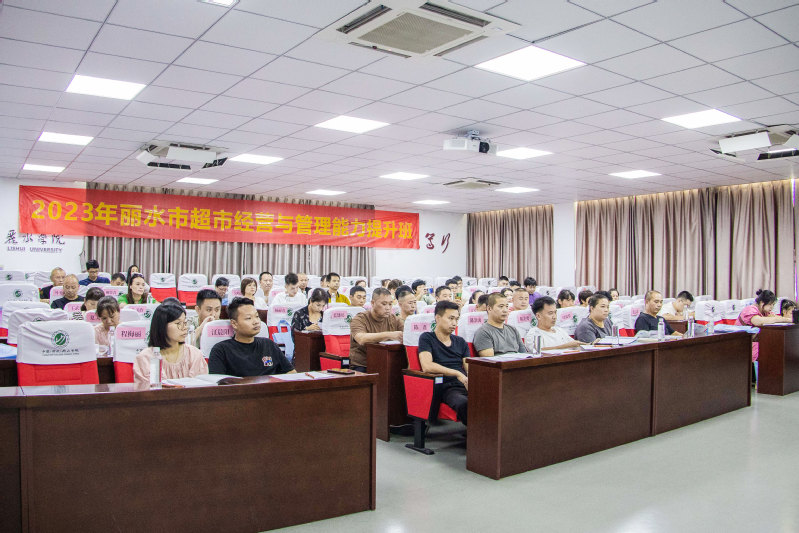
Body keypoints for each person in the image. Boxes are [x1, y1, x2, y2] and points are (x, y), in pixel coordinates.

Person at [209, 297, 295, 376]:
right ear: (234, 324)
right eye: (248, 318)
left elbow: (291, 372)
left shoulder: (269, 344)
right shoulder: (221, 350)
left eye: (257, 316)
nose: (256, 321)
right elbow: (217, 383)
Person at [418, 300, 469, 424]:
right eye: (451, 318)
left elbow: (469, 367)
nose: (454, 323)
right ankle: (478, 434)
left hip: (464, 384)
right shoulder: (426, 338)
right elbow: (427, 366)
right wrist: (457, 373)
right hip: (445, 386)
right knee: (464, 403)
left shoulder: (460, 341)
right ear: (438, 318)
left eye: (456, 319)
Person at [133, 303, 209, 385]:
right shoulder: (145, 358)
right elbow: (148, 389)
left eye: (185, 322)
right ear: (162, 326)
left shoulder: (194, 354)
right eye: (178, 323)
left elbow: (200, 387)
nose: (185, 328)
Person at [349, 288, 402, 372]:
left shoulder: (394, 319)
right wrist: (389, 335)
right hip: (363, 365)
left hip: (387, 362)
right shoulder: (359, 319)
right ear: (373, 303)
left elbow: (407, 336)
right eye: (384, 304)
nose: (388, 308)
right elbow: (361, 339)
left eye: (390, 304)